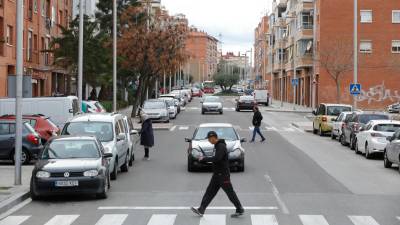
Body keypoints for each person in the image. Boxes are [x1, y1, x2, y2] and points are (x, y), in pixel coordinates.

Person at [191, 131, 244, 218]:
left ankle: (239, 208)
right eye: (208, 139)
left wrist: (204, 158)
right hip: (217, 175)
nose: (209, 141)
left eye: (209, 139)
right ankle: (201, 209)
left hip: (223, 175)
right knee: (209, 192)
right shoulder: (217, 146)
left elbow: (217, 158)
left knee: (230, 193)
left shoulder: (221, 146)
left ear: (214, 137)